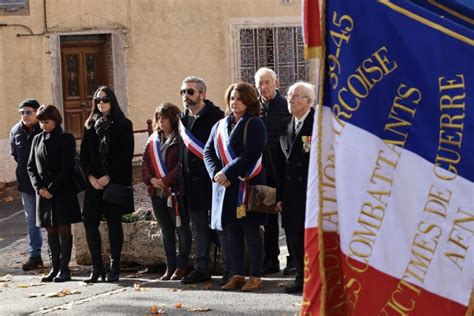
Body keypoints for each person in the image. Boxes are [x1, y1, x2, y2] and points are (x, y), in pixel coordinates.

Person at [204, 82, 267, 292]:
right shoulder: (219, 126)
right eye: (232, 98)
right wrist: (216, 174)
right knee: (232, 232)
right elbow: (208, 152)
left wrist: (227, 172)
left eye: (239, 98)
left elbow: (251, 154)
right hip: (226, 187)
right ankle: (237, 274)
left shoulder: (255, 123)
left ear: (248, 101)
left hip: (247, 184)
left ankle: (256, 276)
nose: (234, 102)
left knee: (251, 231)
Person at [80, 86, 134, 283]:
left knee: (113, 223)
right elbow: (84, 156)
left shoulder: (123, 125)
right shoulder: (89, 125)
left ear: (112, 101)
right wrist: (92, 179)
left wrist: (108, 177)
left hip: (114, 181)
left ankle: (114, 266)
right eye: (97, 100)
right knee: (89, 221)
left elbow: (125, 156)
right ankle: (97, 267)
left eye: (104, 99)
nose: (100, 103)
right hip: (94, 183)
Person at [27, 104, 82, 282]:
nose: (43, 125)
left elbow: (66, 167)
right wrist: (40, 188)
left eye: (47, 122)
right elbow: (31, 167)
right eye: (41, 122)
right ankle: (54, 267)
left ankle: (64, 269)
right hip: (43, 193)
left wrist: (51, 189)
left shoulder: (66, 138)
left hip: (62, 191)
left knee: (63, 229)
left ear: (55, 120)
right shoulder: (37, 139)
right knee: (50, 230)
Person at [177, 76, 224, 284]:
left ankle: (231, 268)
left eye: (190, 92)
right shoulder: (182, 119)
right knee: (198, 227)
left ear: (202, 94)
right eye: (183, 92)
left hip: (212, 180)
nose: (185, 96)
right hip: (190, 183)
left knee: (219, 226)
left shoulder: (217, 117)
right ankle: (201, 267)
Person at [142, 103, 192, 281]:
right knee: (166, 231)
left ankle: (181, 266)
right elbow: (145, 164)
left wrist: (166, 180)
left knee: (182, 229)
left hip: (175, 192)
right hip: (157, 193)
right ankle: (169, 266)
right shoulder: (153, 141)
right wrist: (151, 180)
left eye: (164, 118)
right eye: (158, 118)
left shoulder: (181, 140)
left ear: (173, 119)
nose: (160, 122)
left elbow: (181, 165)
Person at [275, 81, 315, 293]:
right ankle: (302, 275)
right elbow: (281, 164)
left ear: (308, 101)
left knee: (311, 236)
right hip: (291, 192)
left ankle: (315, 277)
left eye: (296, 96)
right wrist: (279, 195)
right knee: (293, 235)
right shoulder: (285, 125)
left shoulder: (318, 123)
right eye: (289, 95)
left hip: (311, 191)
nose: (290, 99)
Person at [254, 67, 293, 275]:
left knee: (288, 217)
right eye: (260, 83)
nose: (264, 87)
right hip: (264, 172)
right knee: (268, 220)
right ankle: (270, 259)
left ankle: (293, 258)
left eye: (267, 82)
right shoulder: (255, 108)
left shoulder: (285, 106)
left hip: (284, 170)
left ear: (276, 83)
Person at [10, 99, 44, 271]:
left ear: (37, 112)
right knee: (32, 221)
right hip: (26, 183)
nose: (25, 115)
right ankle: (35, 255)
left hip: (46, 184)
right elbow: (16, 155)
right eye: (22, 112)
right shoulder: (15, 131)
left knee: (53, 220)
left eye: (28, 112)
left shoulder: (45, 127)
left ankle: (58, 254)